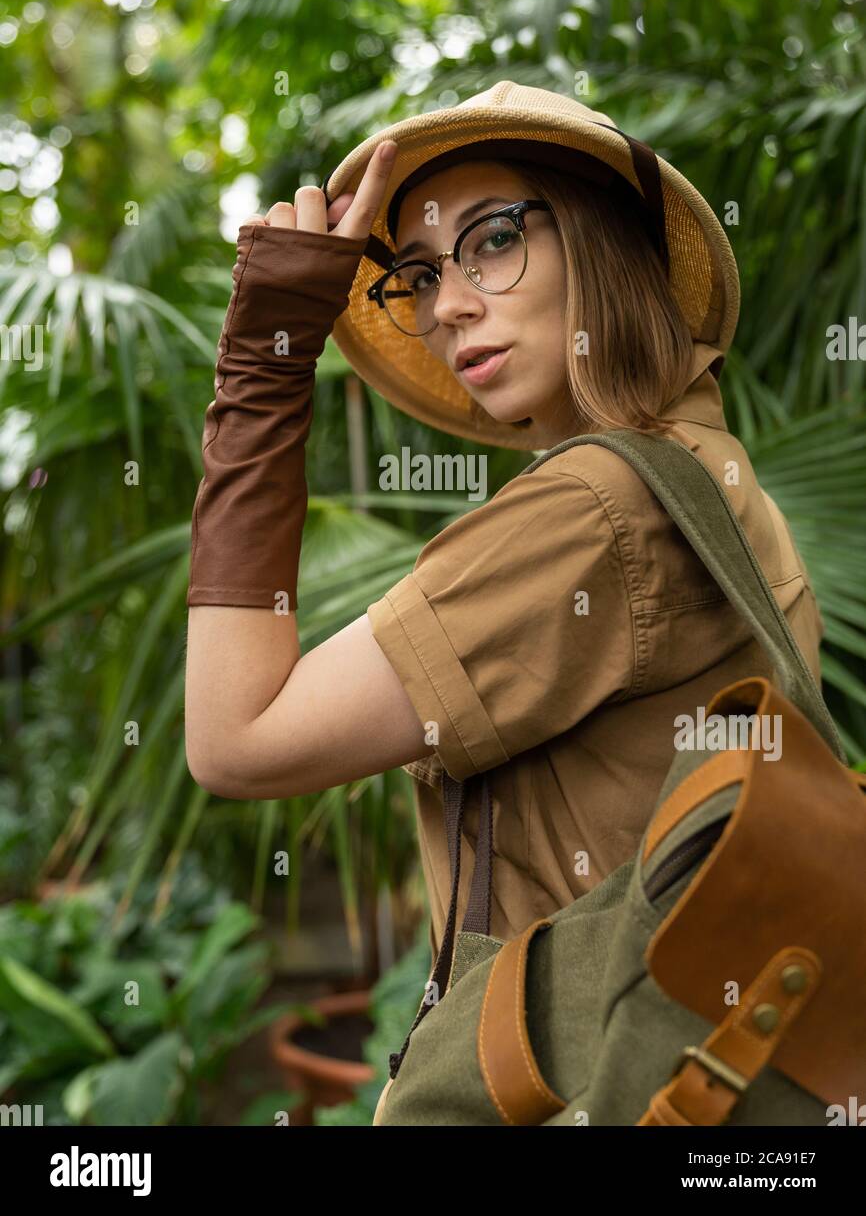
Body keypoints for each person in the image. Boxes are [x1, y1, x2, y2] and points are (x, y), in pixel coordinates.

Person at [183, 82, 825, 1123]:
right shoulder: (709, 471)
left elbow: (233, 736)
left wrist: (264, 367)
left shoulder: (593, 506)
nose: (446, 305)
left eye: (490, 240)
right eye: (419, 276)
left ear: (602, 243)